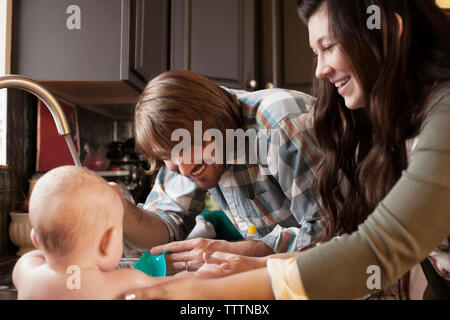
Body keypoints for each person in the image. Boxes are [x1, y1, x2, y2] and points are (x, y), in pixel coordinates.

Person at [122, 0, 450, 300]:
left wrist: (200, 291)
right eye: (315, 53)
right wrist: (246, 268)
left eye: (329, 47)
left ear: (388, 29)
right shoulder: (398, 122)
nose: (320, 70)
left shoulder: (444, 115)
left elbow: (375, 249)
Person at [122, 70, 323, 272]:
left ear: (214, 122)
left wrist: (237, 252)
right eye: (165, 156)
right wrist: (120, 210)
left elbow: (331, 233)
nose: (182, 170)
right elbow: (165, 225)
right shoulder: (189, 141)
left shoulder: (281, 124)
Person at [12, 166, 176, 299]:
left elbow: (32, 257)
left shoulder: (27, 273)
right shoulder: (123, 281)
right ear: (107, 242)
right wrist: (200, 275)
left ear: (35, 240)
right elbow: (171, 286)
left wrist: (51, 246)